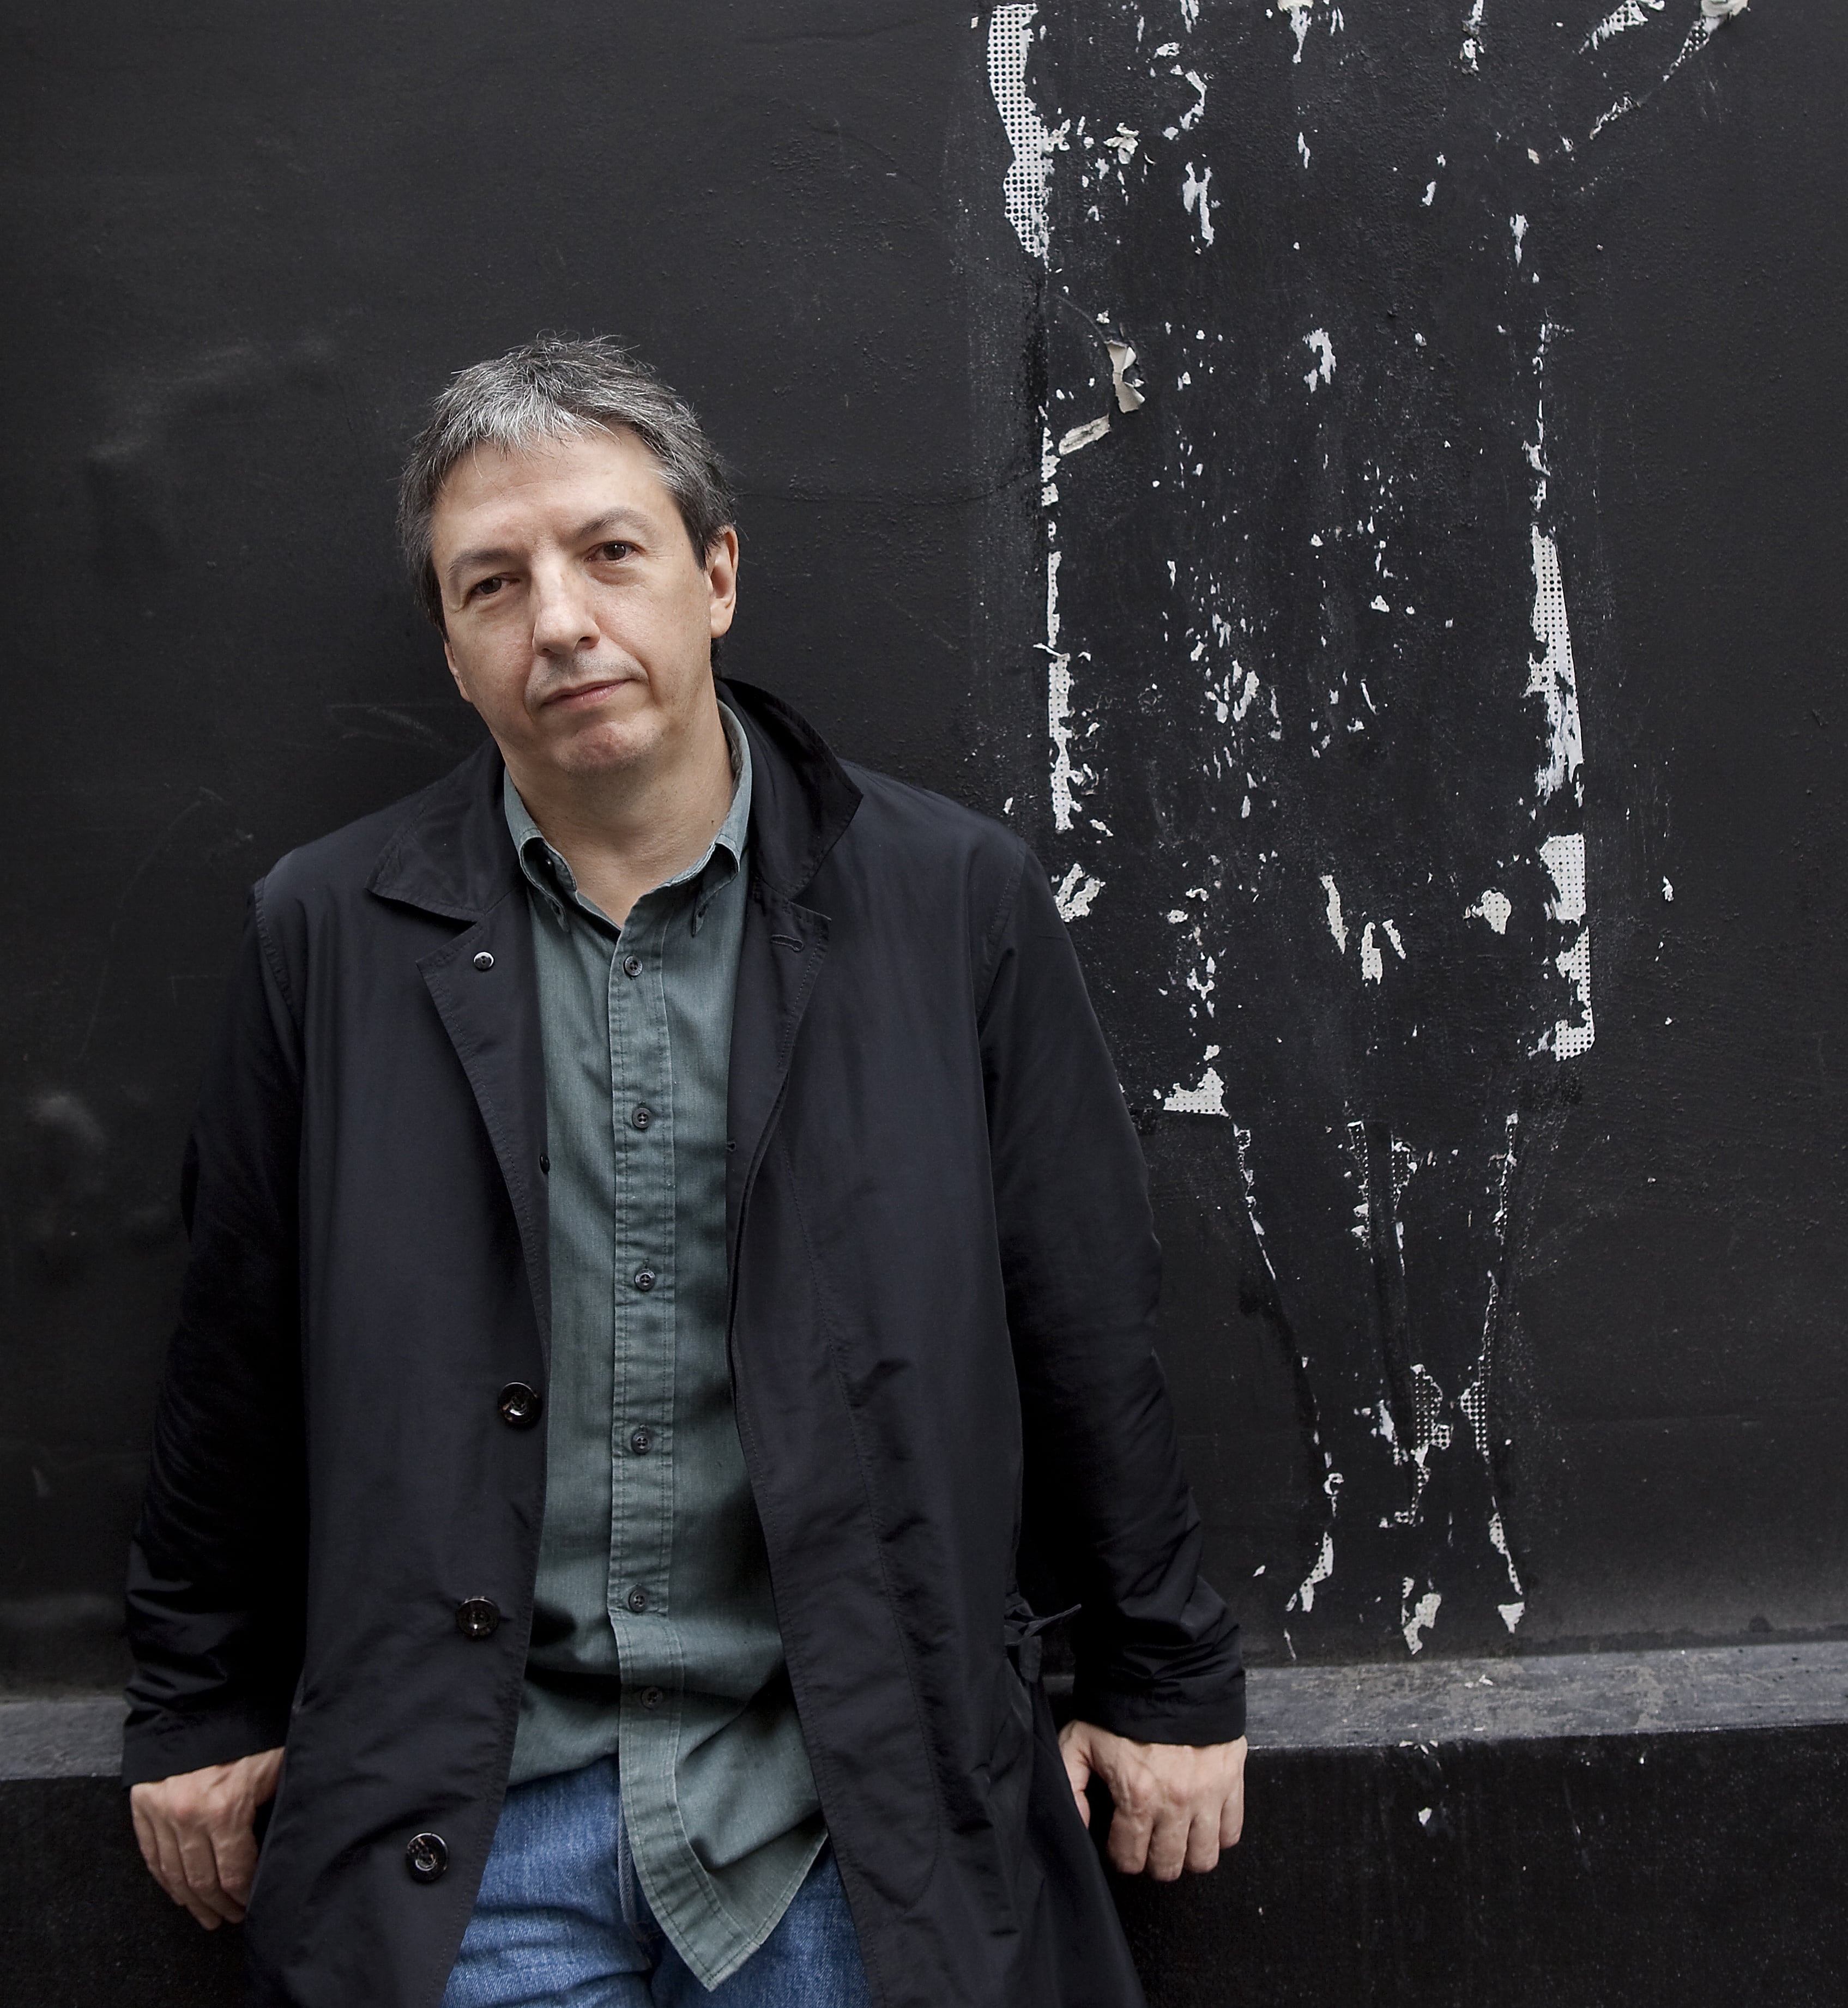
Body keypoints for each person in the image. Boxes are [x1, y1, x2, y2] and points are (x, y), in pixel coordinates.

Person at [122, 337, 1247, 2008]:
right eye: (490, 583)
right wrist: (198, 1702)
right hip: (473, 1830)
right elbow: (234, 1350)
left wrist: (1164, 1677)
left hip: (839, 1816)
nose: (558, 619)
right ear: (451, 646)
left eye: (610, 552)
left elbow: (1082, 1310)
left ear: (716, 576)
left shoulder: (948, 903)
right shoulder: (329, 933)